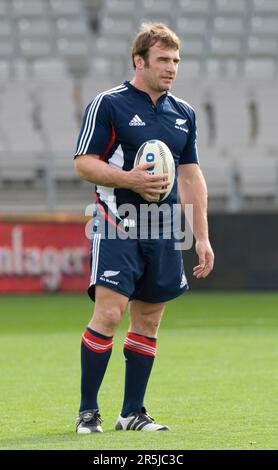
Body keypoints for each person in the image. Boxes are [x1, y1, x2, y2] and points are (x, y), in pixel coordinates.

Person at [74, 23, 214, 433]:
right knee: (111, 313)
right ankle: (87, 412)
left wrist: (202, 236)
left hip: (165, 228)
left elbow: (191, 177)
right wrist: (131, 179)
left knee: (148, 321)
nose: (171, 68)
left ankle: (132, 413)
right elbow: (83, 162)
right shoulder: (109, 104)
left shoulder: (183, 113)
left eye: (176, 60)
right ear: (140, 61)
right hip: (116, 223)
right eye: (163, 60)